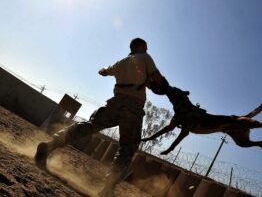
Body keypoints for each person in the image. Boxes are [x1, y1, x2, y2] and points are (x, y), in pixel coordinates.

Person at [34, 38, 168, 197]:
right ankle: (108, 188)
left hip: (115, 104)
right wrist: (161, 85)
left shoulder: (120, 63)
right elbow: (158, 79)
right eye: (145, 47)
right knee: (127, 147)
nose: (147, 50)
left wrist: (106, 69)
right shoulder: (145, 58)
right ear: (140, 47)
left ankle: (49, 146)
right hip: (132, 109)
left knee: (89, 126)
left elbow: (103, 72)